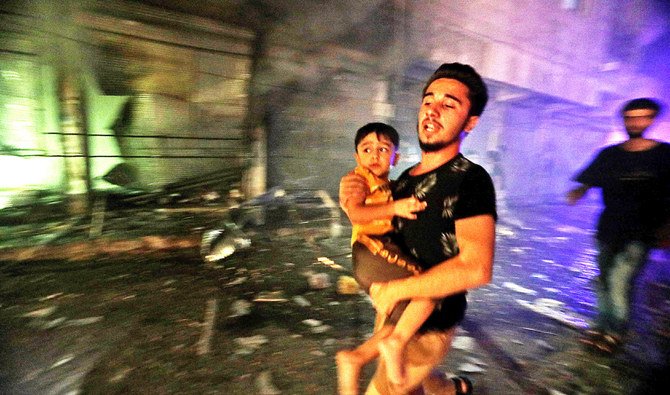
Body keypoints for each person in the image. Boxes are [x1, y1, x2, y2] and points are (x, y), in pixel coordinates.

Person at [339, 62, 496, 395]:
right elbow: (377, 229)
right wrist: (352, 198)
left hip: (427, 323)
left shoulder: (471, 179)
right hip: (393, 312)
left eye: (448, 104)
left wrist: (396, 291)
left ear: (470, 122)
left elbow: (477, 267)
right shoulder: (403, 181)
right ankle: (453, 390)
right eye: (428, 100)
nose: (433, 110)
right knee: (419, 385)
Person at [336, 122, 434, 395]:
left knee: (401, 312)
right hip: (374, 252)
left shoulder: (389, 184)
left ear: (396, 158)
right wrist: (396, 207)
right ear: (357, 157)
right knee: (430, 289)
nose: (375, 155)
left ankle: (356, 358)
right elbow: (356, 214)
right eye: (367, 149)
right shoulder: (358, 179)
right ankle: (390, 346)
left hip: (377, 255)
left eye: (383, 149)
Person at [567, 97, 670, 354]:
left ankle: (615, 331)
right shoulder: (610, 155)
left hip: (642, 232)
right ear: (624, 121)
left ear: (651, 120)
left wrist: (667, 229)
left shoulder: (664, 155)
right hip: (609, 229)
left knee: (618, 282)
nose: (635, 122)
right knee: (604, 281)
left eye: (642, 117)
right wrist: (580, 190)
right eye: (630, 117)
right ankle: (600, 325)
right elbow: (591, 177)